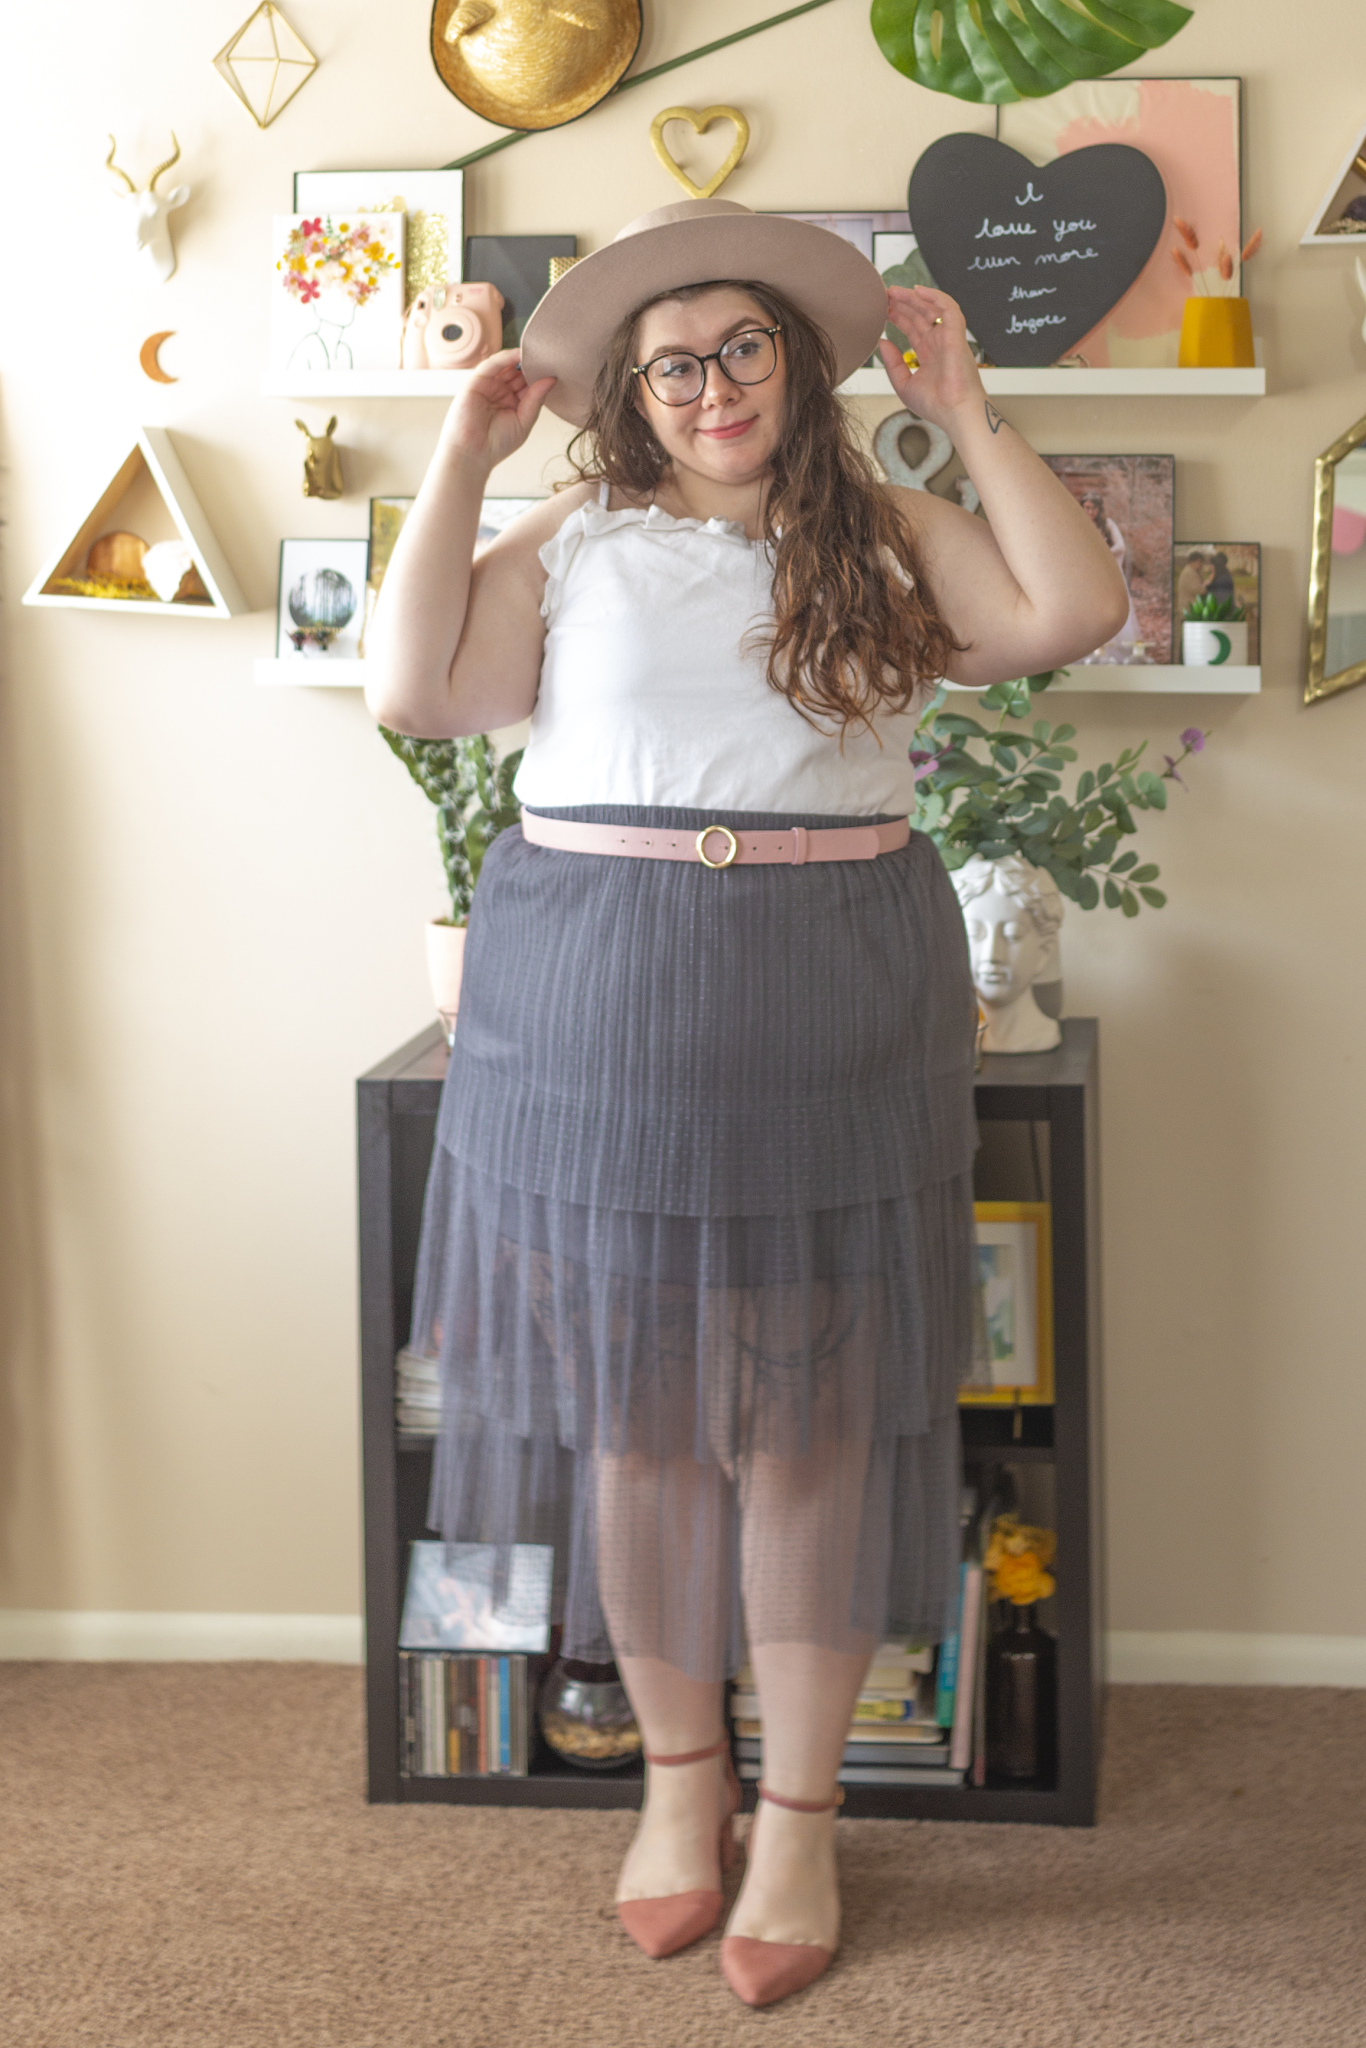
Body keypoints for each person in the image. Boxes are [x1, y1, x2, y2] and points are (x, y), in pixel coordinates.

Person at [365, 197, 1126, 2009]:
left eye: (745, 348)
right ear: (633, 390)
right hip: (594, 988)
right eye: (674, 361)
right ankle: (681, 1790)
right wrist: (456, 456)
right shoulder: (580, 535)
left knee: (804, 1428)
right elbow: (416, 685)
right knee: (638, 1430)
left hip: (827, 985)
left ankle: (798, 1815)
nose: (713, 386)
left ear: (797, 360)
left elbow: (1074, 606)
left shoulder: (886, 531)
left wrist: (970, 400)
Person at [1079, 489, 1141, 657]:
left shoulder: (1108, 525)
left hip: (1105, 572)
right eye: (1086, 507)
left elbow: (1120, 547)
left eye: (1093, 508)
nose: (1089, 512)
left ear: (1099, 509)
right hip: (1086, 574)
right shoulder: (1077, 523)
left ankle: (1113, 650)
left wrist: (1103, 554)